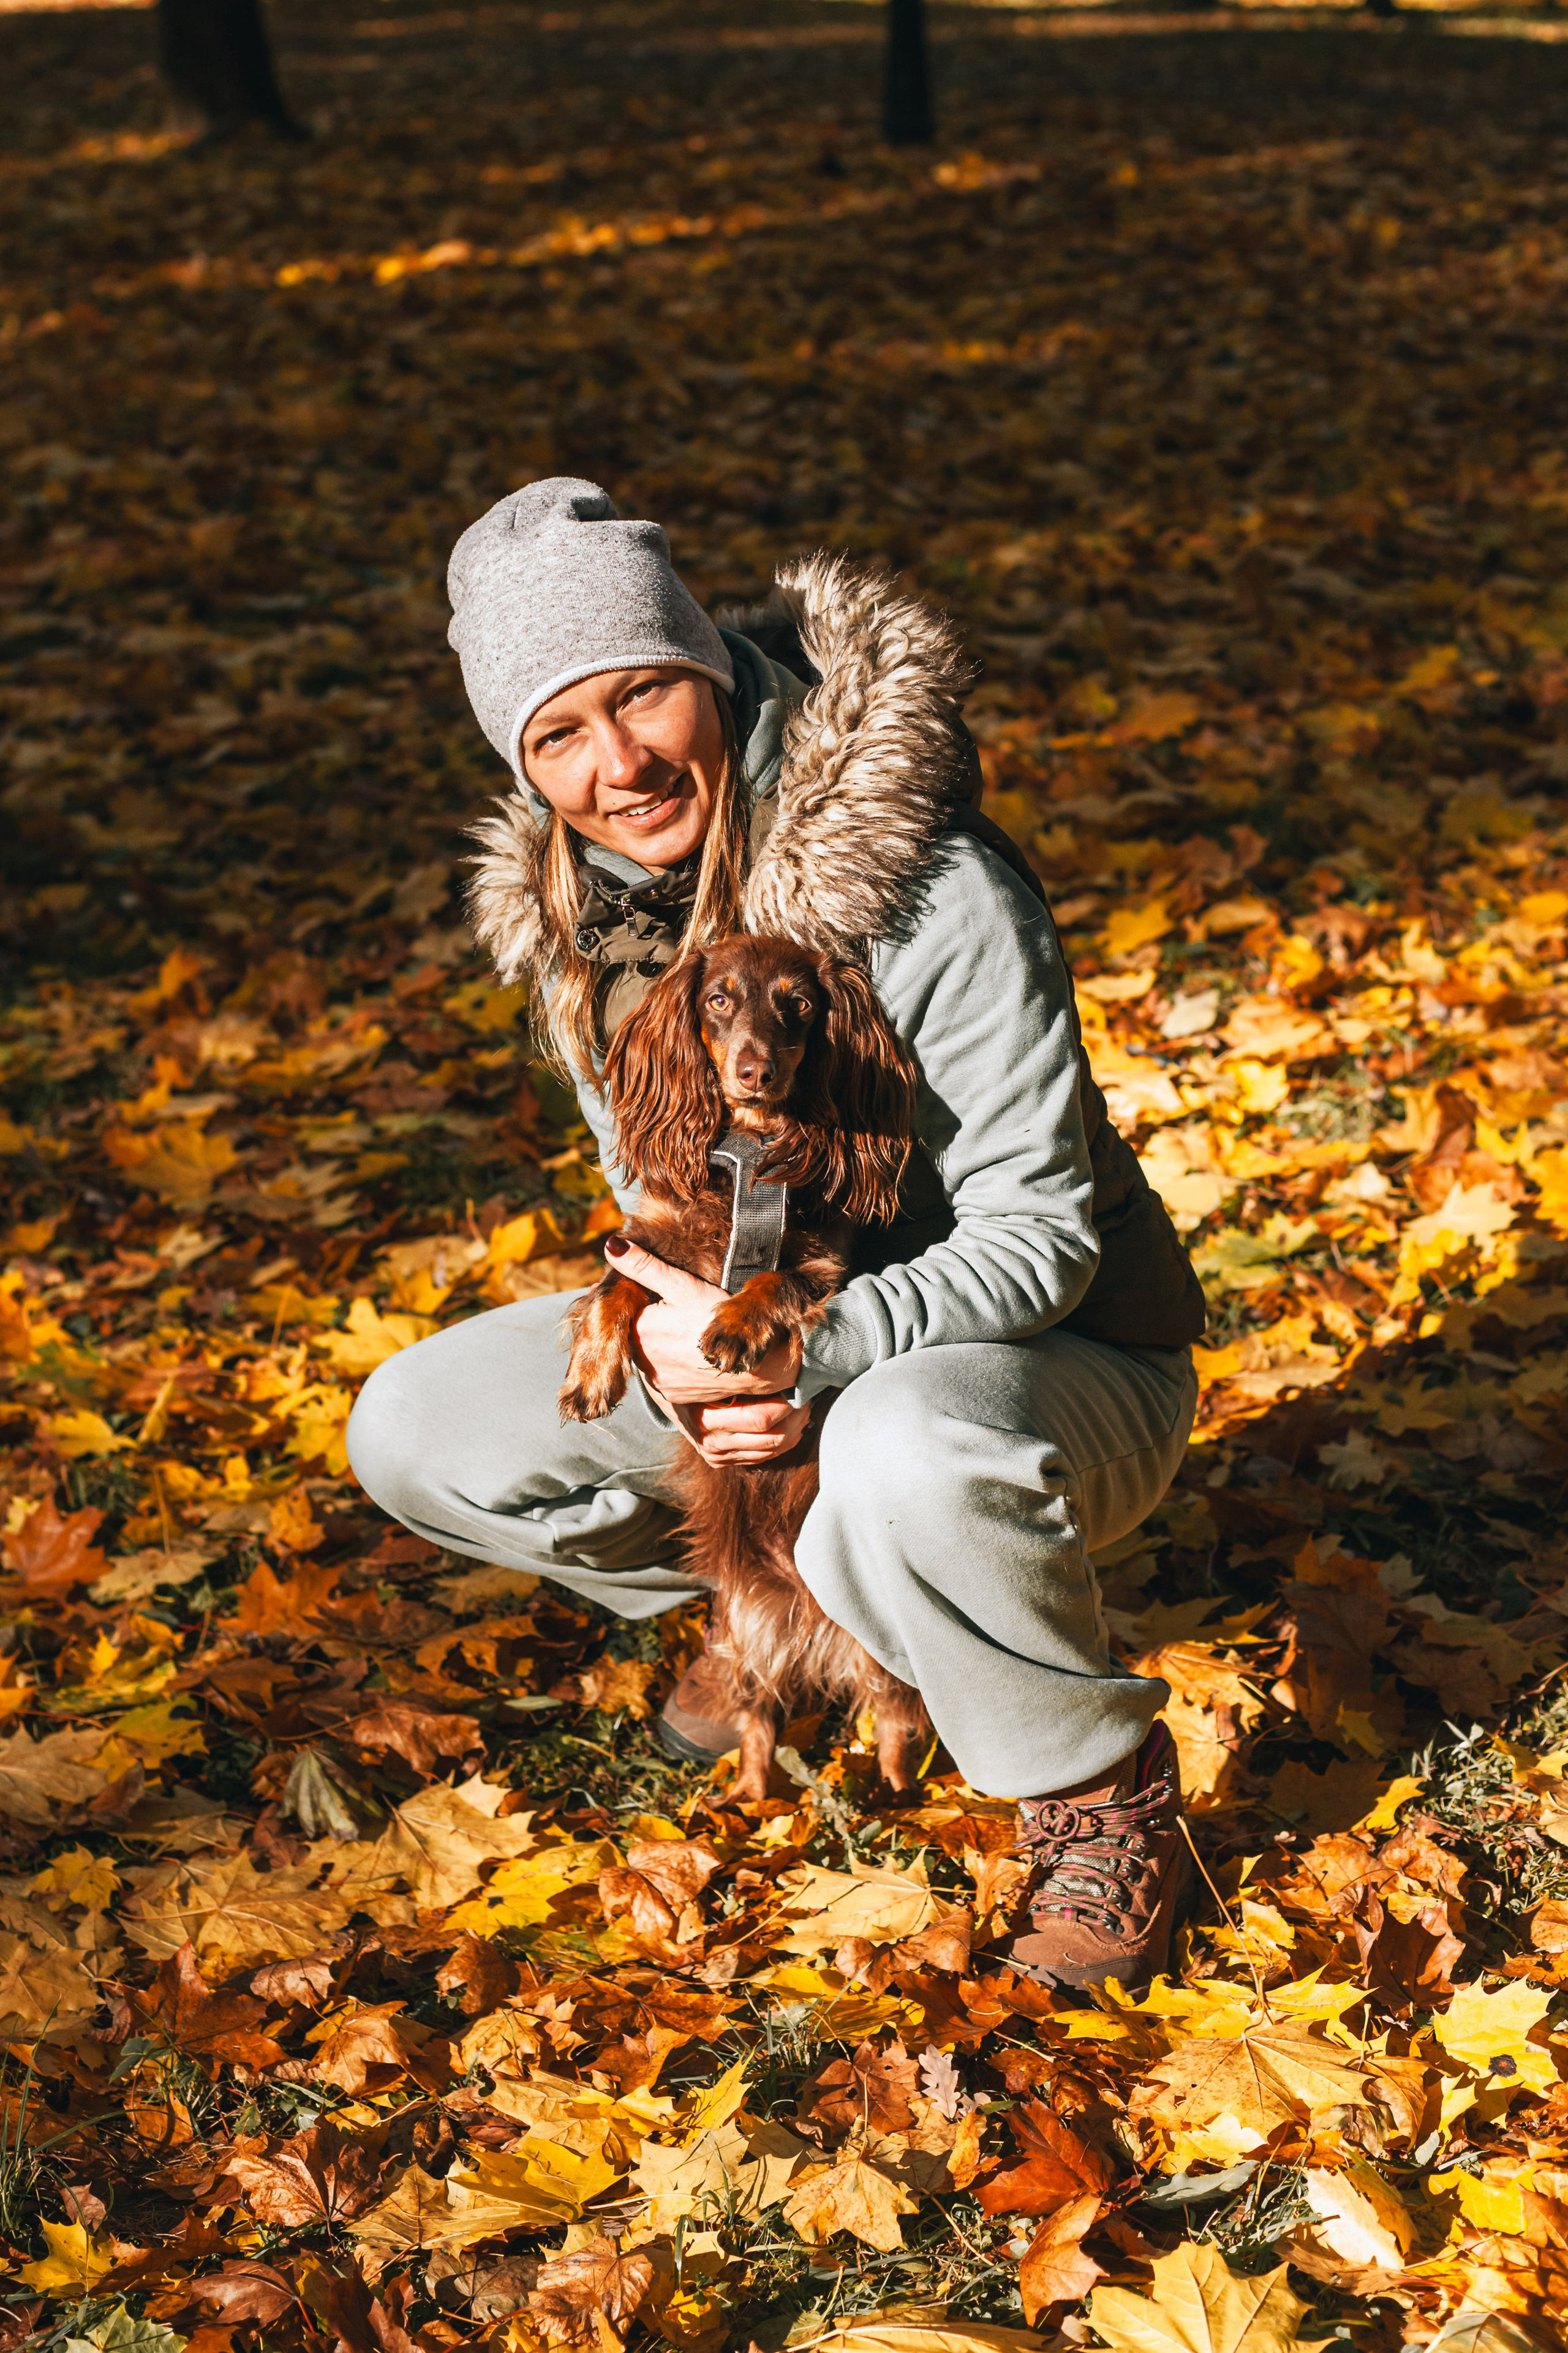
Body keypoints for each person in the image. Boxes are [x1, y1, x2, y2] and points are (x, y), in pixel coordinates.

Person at [347, 478, 1207, 1992]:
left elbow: (1039, 1238)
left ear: (714, 671)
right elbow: (657, 1206)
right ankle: (784, 1618)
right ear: (522, 765)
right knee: (415, 1429)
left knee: (897, 1442)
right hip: (766, 1343)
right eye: (558, 736)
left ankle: (1093, 1789)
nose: (618, 765)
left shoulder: (930, 888)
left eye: (641, 694)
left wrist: (804, 1351)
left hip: (1047, 1371)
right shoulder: (589, 924)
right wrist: (688, 1361)